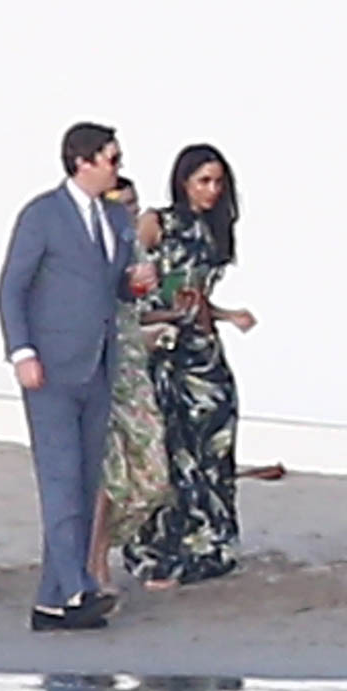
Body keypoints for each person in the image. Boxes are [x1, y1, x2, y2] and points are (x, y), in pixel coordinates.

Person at [0, 122, 156, 631]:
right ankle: (77, 587)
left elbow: (112, 288)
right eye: (111, 158)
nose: (118, 166)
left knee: (86, 482)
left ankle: (51, 602)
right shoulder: (42, 214)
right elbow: (12, 287)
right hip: (51, 368)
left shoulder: (115, 216)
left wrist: (135, 284)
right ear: (82, 161)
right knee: (61, 477)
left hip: (99, 364)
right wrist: (22, 351)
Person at [122, 144, 262, 588]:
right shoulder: (158, 223)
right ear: (184, 183)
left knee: (214, 447)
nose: (212, 190)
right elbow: (126, 278)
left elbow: (195, 297)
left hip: (203, 352)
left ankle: (210, 545)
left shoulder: (213, 232)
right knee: (172, 449)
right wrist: (152, 315)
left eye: (218, 182)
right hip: (164, 350)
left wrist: (226, 315)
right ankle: (164, 549)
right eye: (204, 181)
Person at [86, 176, 174, 592]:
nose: (132, 212)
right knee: (109, 471)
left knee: (153, 472)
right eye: (123, 205)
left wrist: (158, 324)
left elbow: (138, 307)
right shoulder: (87, 248)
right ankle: (95, 560)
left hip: (133, 368)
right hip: (97, 366)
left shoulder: (135, 251)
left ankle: (100, 549)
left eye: (135, 204)